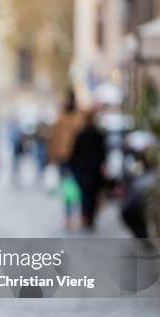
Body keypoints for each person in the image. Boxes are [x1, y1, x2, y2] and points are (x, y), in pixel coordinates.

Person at [48, 90, 85, 229]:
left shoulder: (61, 118)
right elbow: (53, 138)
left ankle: (70, 217)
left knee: (68, 187)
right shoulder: (78, 118)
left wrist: (52, 156)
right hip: (74, 158)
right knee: (74, 187)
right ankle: (77, 216)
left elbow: (53, 139)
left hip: (65, 157)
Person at [68, 110, 107, 230]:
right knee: (91, 195)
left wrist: (73, 167)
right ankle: (89, 218)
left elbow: (74, 154)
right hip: (92, 170)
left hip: (85, 170)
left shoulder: (83, 135)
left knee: (86, 195)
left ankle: (86, 218)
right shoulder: (97, 135)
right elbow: (103, 153)